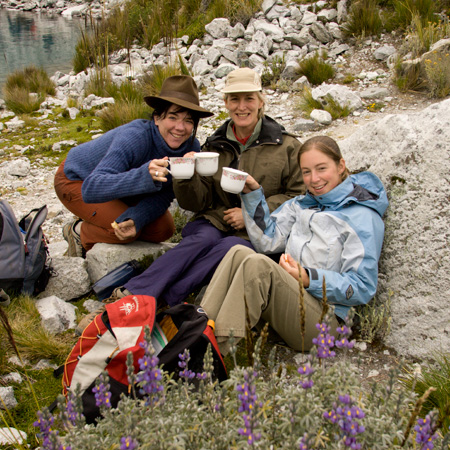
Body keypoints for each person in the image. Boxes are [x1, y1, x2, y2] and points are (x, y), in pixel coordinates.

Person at [115, 67, 304, 306]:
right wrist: (186, 176)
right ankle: (134, 292)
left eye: (249, 98)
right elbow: (196, 203)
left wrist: (250, 214)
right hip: (215, 220)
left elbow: (299, 197)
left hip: (259, 230)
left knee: (229, 247)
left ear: (260, 101)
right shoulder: (214, 144)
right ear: (225, 102)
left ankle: (160, 301)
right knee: (201, 240)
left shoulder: (287, 146)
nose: (241, 106)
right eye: (234, 99)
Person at [200, 135, 389, 355]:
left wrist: (309, 277)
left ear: (340, 165)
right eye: (306, 172)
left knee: (258, 266)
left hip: (325, 324)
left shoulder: (362, 217)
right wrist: (252, 192)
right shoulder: (301, 205)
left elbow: (362, 287)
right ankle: (198, 330)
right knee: (238, 252)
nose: (314, 179)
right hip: (291, 305)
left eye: (321, 168)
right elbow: (267, 241)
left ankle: (211, 355)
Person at [54, 75, 213, 257]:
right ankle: (78, 232)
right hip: (76, 179)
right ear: (157, 118)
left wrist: (136, 218)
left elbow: (165, 195)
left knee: (162, 230)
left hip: (122, 189)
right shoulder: (136, 136)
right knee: (125, 233)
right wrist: (144, 177)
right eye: (173, 117)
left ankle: (104, 221)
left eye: (188, 120)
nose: (180, 127)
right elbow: (91, 188)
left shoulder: (191, 148)